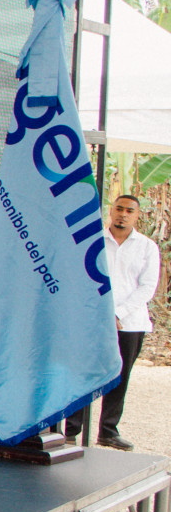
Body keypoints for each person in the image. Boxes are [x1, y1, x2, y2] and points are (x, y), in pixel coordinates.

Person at [97, 193, 161, 451]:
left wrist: (119, 314)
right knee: (85, 372)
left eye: (129, 211)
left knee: (120, 377)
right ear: (111, 211)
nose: (123, 214)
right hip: (95, 322)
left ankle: (108, 431)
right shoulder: (95, 242)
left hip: (130, 323)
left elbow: (147, 287)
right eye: (119, 208)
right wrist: (102, 315)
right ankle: (72, 429)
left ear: (137, 215)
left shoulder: (147, 247)